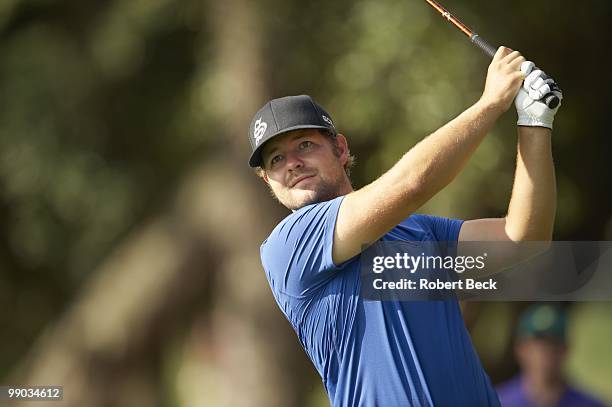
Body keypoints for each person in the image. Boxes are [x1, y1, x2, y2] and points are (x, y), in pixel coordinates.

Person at [248, 47, 561, 406]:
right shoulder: (289, 245)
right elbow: (413, 183)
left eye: (304, 144)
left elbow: (523, 239)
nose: (292, 163)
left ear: (340, 148)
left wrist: (535, 122)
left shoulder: (418, 232)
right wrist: (490, 103)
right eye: (276, 159)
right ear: (268, 182)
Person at [496, 304, 605, 407]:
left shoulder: (589, 404)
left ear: (566, 350)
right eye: (538, 346)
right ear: (521, 350)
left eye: (553, 346)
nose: (545, 354)